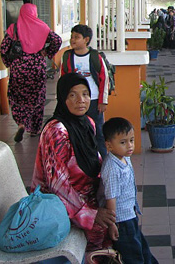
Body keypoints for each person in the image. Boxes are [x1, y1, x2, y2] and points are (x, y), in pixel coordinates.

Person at [32, 73, 116, 255]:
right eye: (72, 95)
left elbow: (96, 166)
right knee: (103, 234)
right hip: (60, 204)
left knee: (123, 222)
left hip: (87, 197)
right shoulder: (56, 131)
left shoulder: (88, 123)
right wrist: (91, 214)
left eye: (85, 94)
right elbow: (58, 186)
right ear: (63, 98)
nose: (81, 100)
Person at [0, 2, 62, 142]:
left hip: (19, 68)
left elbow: (4, 48)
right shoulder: (43, 27)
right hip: (36, 68)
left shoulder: (14, 28)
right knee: (37, 98)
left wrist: (9, 62)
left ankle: (21, 124)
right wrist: (46, 52)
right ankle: (35, 129)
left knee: (17, 98)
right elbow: (57, 40)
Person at [101, 118, 158, 264]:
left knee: (141, 248)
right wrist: (112, 224)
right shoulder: (112, 168)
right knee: (132, 254)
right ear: (109, 145)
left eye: (131, 140)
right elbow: (111, 197)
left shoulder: (124, 158)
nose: (130, 146)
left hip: (130, 214)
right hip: (121, 220)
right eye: (123, 142)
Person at [61, 24, 109, 158]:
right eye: (72, 37)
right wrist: (63, 100)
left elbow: (104, 79)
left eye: (77, 37)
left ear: (86, 40)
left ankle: (102, 159)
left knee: (97, 131)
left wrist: (103, 101)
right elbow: (63, 80)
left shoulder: (95, 57)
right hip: (74, 101)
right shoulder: (67, 57)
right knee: (75, 130)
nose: (73, 40)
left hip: (93, 100)